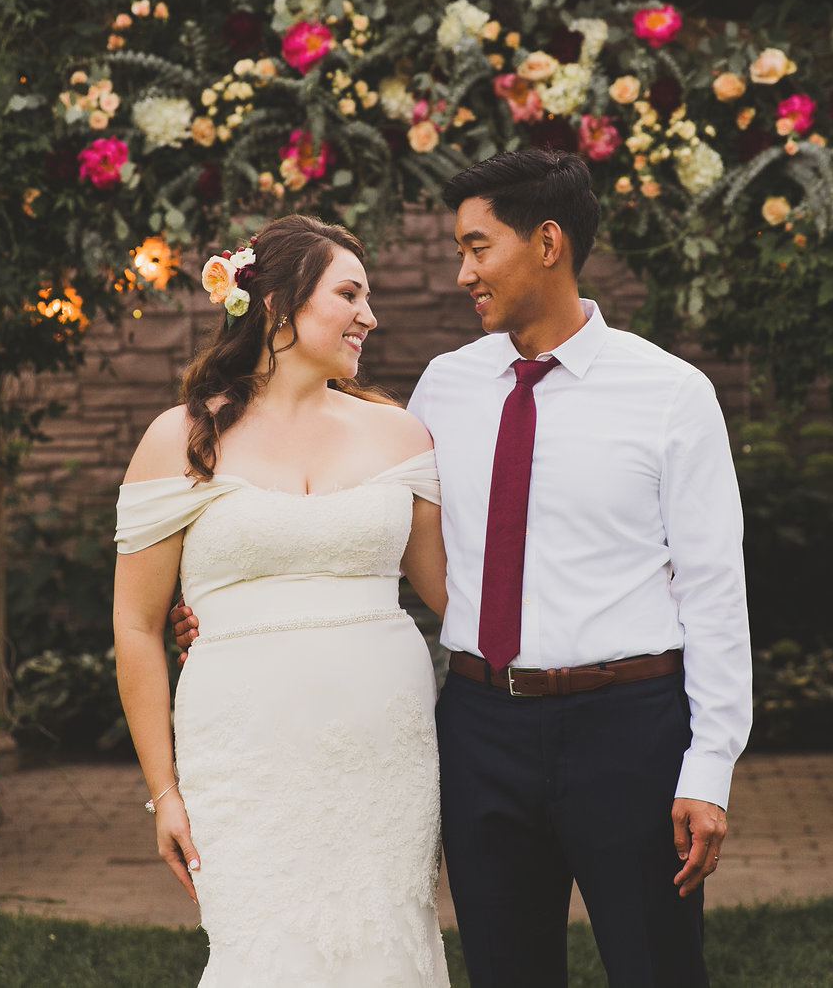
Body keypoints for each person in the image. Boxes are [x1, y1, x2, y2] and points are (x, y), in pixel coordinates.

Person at [177, 149, 753, 988]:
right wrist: (231, 612)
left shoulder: (671, 393)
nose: (461, 272)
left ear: (547, 242)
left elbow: (714, 592)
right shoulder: (444, 390)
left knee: (657, 971)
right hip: (482, 727)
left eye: (478, 247)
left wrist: (709, 769)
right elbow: (363, 519)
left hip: (629, 728)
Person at [112, 213, 451, 987]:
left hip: (385, 757)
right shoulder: (181, 438)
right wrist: (164, 792)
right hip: (244, 757)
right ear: (276, 305)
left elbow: (455, 599)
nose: (371, 315)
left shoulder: (402, 436)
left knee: (386, 947)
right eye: (350, 293)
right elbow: (134, 624)